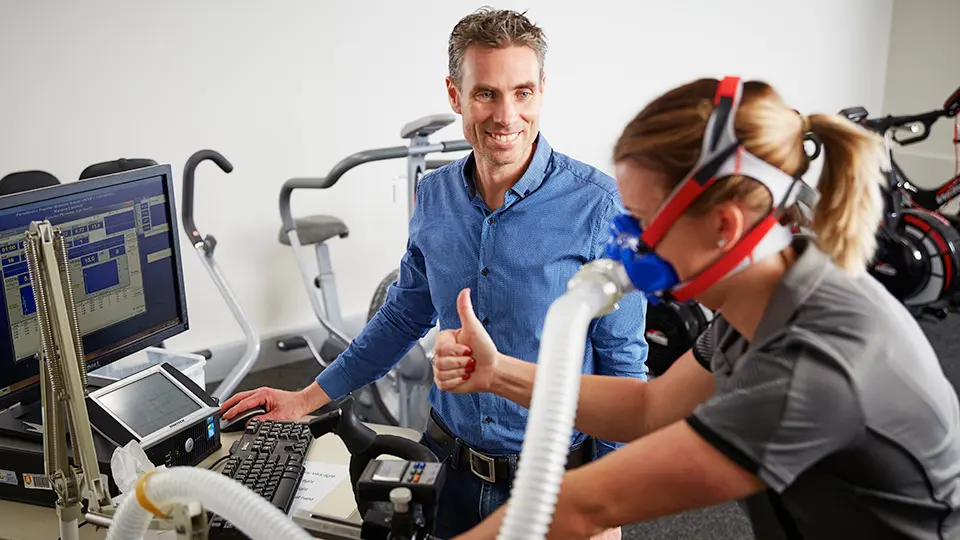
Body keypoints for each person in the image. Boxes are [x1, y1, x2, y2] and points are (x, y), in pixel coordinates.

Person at [434, 76, 960, 539]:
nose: (626, 243)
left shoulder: (813, 365)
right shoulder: (773, 291)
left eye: (640, 220)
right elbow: (650, 408)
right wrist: (497, 372)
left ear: (723, 227)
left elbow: (580, 505)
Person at [220, 7, 647, 539]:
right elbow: (403, 315)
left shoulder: (599, 207)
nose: (506, 115)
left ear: (542, 91)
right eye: (486, 93)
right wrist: (307, 398)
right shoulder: (435, 195)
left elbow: (624, 366)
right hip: (449, 469)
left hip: (554, 480)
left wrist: (611, 500)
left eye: (522, 93)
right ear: (454, 95)